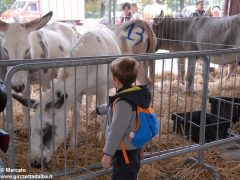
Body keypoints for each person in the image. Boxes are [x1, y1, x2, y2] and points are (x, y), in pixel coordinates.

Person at [92, 57, 151, 180]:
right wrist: (98, 110)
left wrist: (107, 154)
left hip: (124, 155)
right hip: (131, 150)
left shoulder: (123, 103)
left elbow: (116, 130)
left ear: (115, 80)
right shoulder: (132, 95)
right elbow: (112, 106)